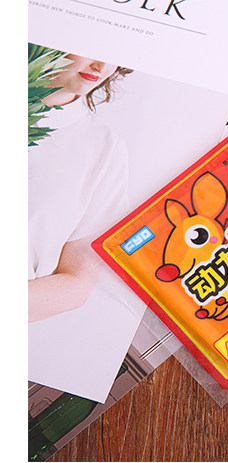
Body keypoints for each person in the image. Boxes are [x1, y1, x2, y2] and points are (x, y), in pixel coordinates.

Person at [28, 52, 133, 322]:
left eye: (117, 53)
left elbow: (78, 281)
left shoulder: (105, 149)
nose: (102, 65)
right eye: (93, 47)